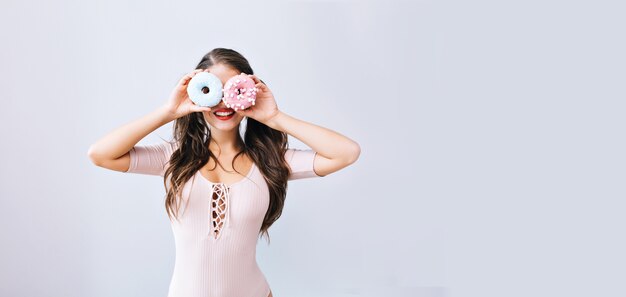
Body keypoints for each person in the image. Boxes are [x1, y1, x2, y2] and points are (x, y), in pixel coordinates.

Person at [87, 48, 361, 297]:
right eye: (212, 90)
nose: (224, 103)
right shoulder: (173, 158)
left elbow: (346, 152)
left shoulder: (269, 161)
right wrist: (168, 111)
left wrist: (275, 117)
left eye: (234, 90)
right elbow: (100, 154)